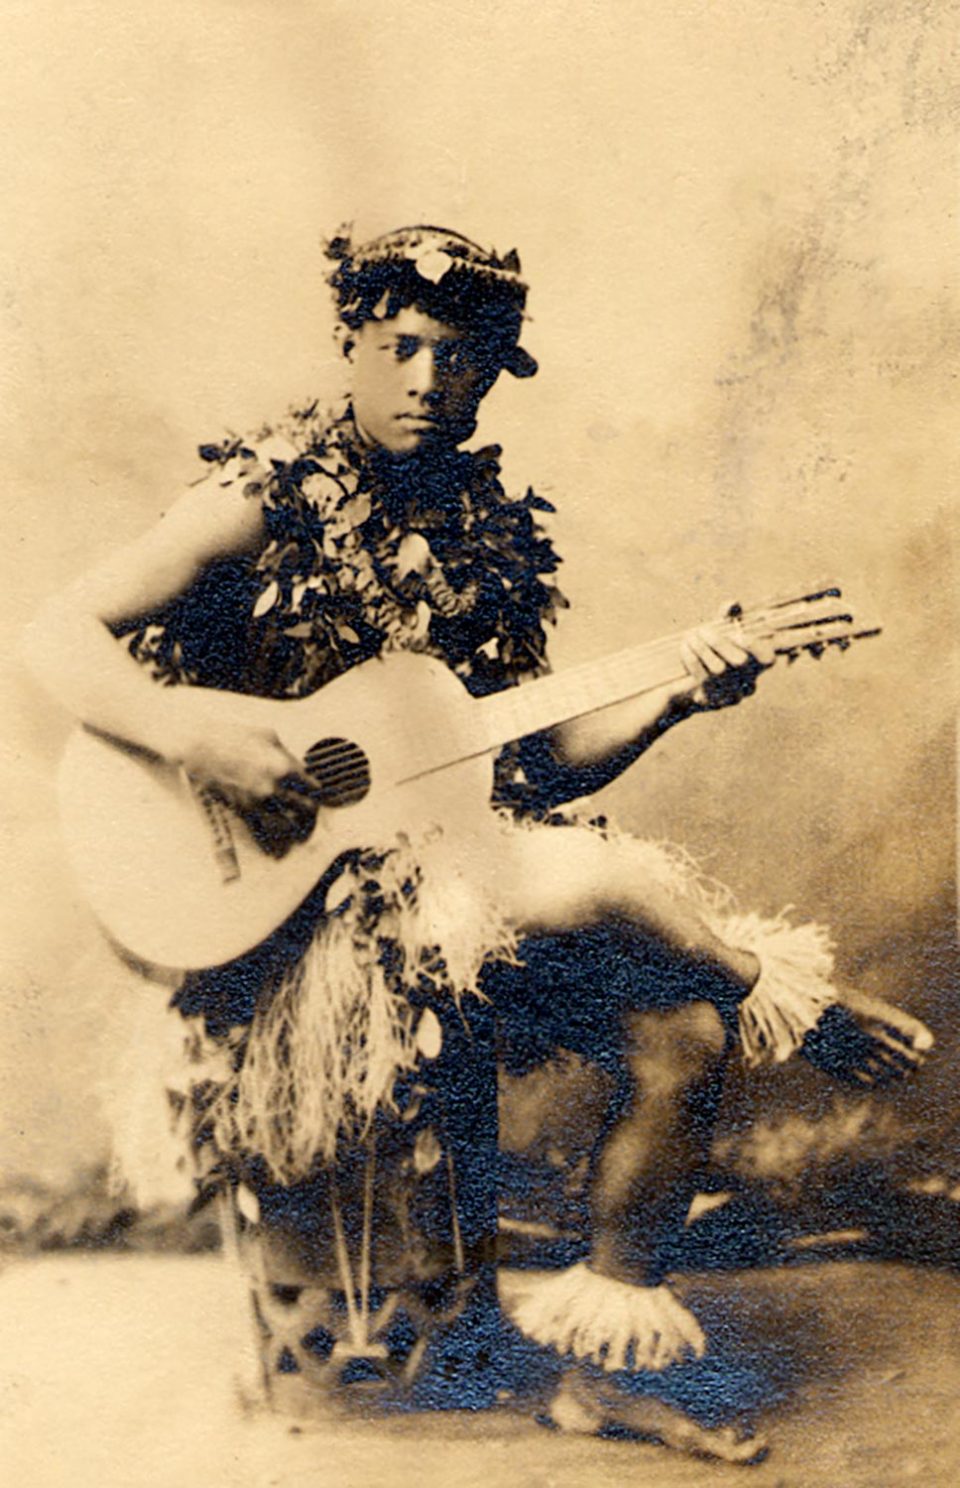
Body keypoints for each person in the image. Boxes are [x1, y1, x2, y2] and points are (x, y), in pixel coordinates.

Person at [21, 225, 932, 1463]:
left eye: (460, 359)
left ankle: (603, 1364)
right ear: (351, 343)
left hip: (440, 883)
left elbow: (516, 768)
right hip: (288, 912)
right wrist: (193, 736)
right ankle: (789, 994)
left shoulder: (486, 536)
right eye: (399, 348)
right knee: (611, 878)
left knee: (683, 1033)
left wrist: (671, 695)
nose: (426, 381)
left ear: (494, 373)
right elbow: (52, 634)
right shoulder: (262, 495)